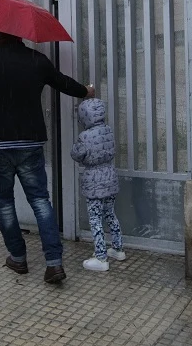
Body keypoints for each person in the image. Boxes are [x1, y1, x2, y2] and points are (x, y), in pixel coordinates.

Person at [0, 31, 94, 284]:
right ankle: (54, 264)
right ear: (22, 34)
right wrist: (86, 91)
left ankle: (18, 257)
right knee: (39, 201)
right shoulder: (37, 59)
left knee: (4, 203)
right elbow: (63, 83)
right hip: (30, 140)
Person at [71, 98, 125, 271]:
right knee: (110, 214)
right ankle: (118, 249)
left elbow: (77, 154)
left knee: (95, 218)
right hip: (110, 176)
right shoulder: (108, 130)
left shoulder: (84, 136)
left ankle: (101, 257)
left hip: (94, 181)